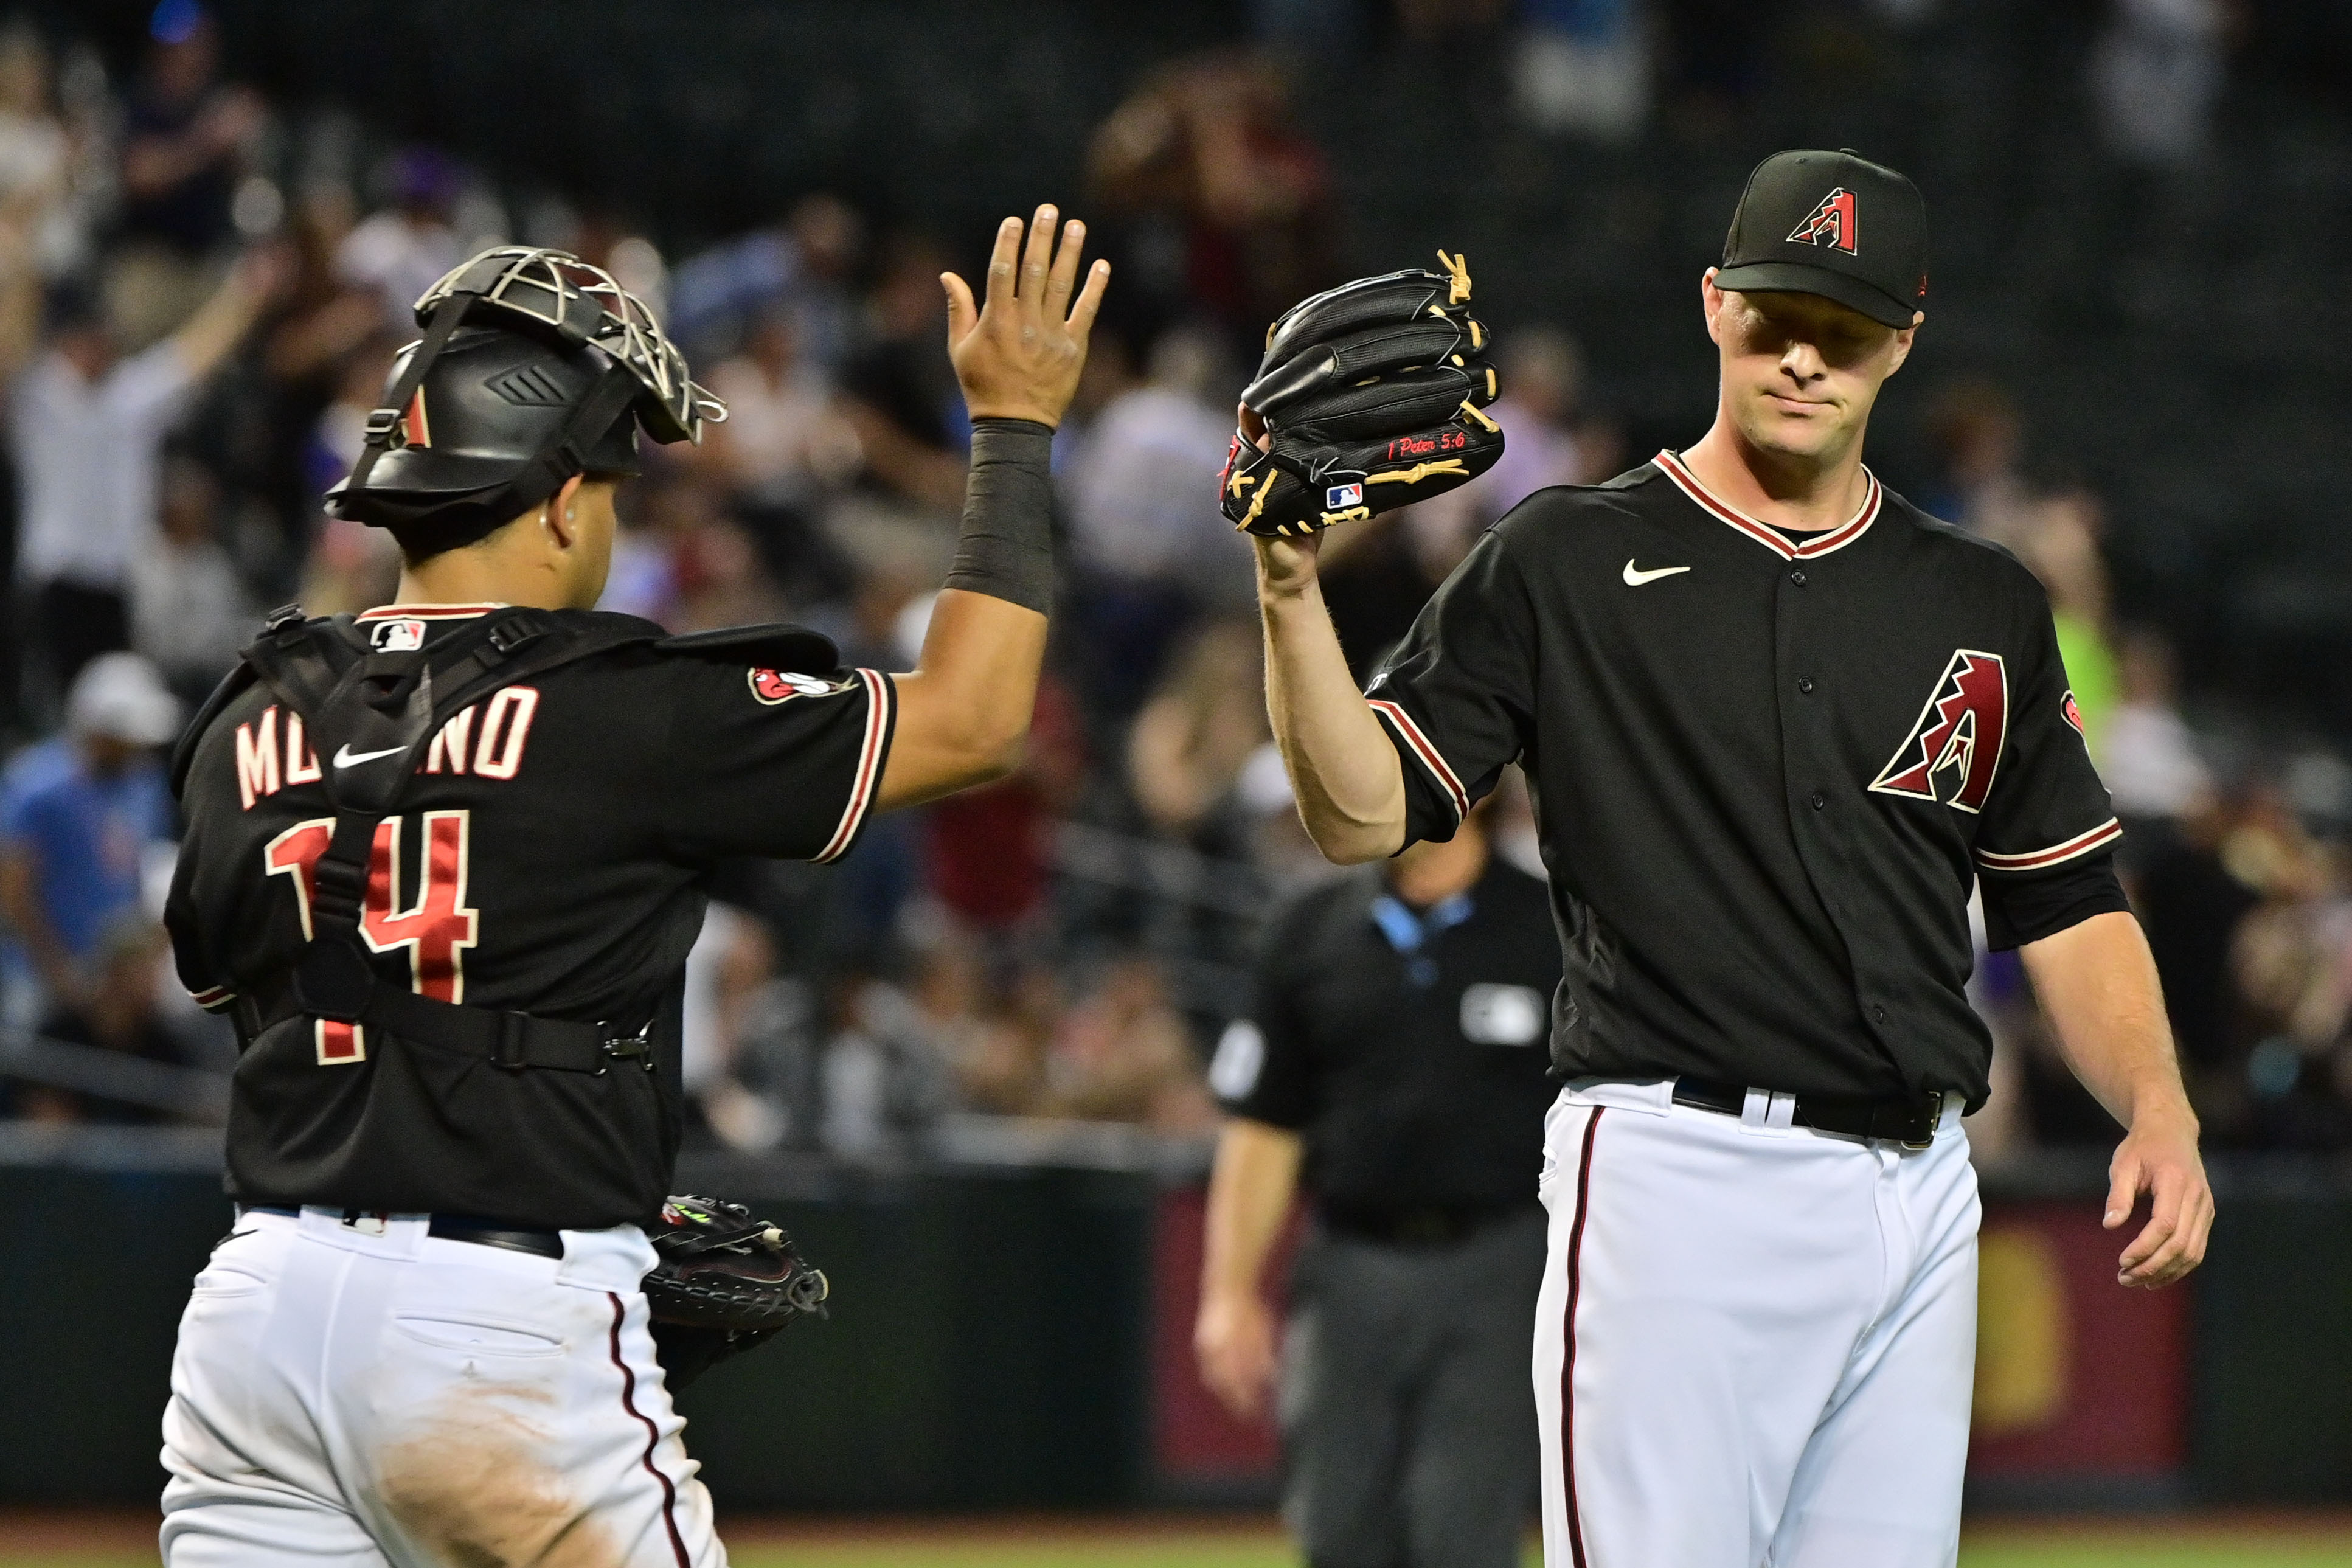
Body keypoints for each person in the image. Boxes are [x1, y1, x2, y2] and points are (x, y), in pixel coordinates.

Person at [1243, 149, 2212, 1567]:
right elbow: (1359, 813)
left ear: (1904, 339)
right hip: (1676, 1176)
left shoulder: (1980, 601)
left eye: (1843, 325)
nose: (1803, 355)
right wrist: (1283, 587)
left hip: (1919, 1190)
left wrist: (2161, 1105)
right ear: (1712, 306)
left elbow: (2062, 897)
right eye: (1774, 315)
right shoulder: (1562, 559)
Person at [157, 212, 1107, 1566]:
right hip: (496, 1313)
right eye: (607, 486)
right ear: (555, 498)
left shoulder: (245, 707)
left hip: (250, 1322)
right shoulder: (626, 705)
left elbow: (250, 983)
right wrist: (1013, 430)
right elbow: (974, 719)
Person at [1196, 798, 1560, 1568]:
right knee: (1335, 1530)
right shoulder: (1309, 928)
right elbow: (1263, 1124)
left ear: (1480, 784)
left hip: (1499, 1267)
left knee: (1458, 1534)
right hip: (1346, 1267)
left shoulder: (1551, 928)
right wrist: (1228, 1290)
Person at [12, 248, 281, 696]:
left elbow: (194, 357)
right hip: (53, 578)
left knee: (113, 695)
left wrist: (246, 296)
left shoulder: (129, 396)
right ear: (65, 341)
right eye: (86, 337)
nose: (97, 347)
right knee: (49, 701)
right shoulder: (41, 393)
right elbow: (13, 343)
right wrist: (20, 270)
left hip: (116, 580)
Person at [0, 652, 180, 1032]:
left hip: (113, 980)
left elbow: (141, 872)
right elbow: (14, 889)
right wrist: (59, 973)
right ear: (99, 730)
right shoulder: (37, 785)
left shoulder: (143, 785)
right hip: (39, 972)